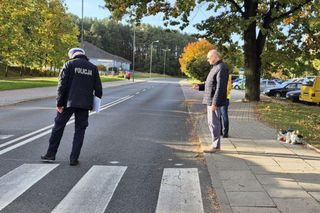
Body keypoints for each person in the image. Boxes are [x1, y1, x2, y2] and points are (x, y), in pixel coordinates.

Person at [41, 47, 103, 166]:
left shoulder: (69, 64)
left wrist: (59, 103)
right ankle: (74, 158)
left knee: (58, 127)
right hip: (85, 105)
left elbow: (62, 85)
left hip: (67, 103)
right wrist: (95, 105)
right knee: (80, 130)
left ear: (72, 55)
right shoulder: (93, 68)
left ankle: (50, 154)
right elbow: (99, 90)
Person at [202, 49, 229, 153]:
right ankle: (215, 144)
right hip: (210, 100)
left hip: (214, 101)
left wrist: (215, 103)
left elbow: (220, 87)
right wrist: (199, 86)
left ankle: (216, 146)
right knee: (211, 123)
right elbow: (211, 84)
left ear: (215, 56)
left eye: (209, 57)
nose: (208, 60)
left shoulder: (221, 68)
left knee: (214, 124)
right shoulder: (215, 67)